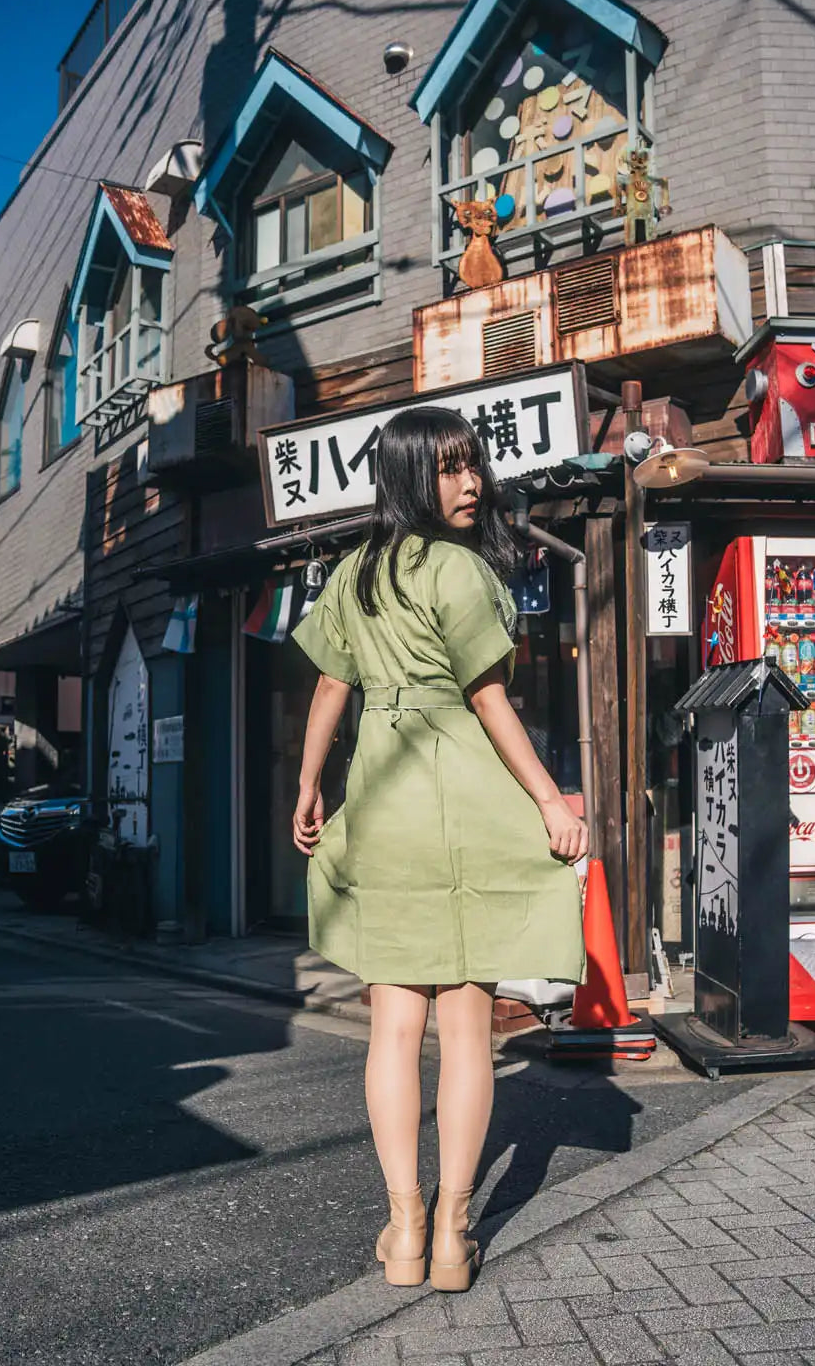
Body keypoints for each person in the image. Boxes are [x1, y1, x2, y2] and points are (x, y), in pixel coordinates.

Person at [292, 406, 587, 1293]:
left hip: (383, 805)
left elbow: (330, 689)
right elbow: (492, 702)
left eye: (474, 467)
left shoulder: (351, 574)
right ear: (413, 476)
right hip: (460, 798)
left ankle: (406, 1225)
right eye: (452, 470)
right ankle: (456, 1234)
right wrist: (548, 800)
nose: (472, 484)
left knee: (394, 1025)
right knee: (466, 1028)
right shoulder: (461, 572)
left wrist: (309, 785)